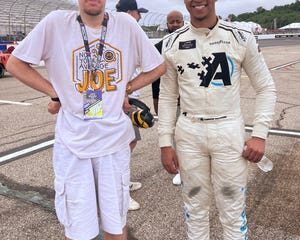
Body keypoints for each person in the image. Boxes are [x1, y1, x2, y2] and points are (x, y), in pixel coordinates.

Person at [6, 0, 165, 239]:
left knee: (115, 225)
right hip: (73, 146)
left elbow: (158, 66)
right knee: (79, 228)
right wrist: (55, 93)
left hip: (113, 144)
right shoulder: (57, 23)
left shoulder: (126, 25)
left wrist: (127, 88)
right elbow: (16, 63)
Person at [158, 0, 276, 239]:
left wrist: (260, 135)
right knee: (195, 210)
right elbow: (168, 96)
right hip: (189, 133)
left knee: (232, 211)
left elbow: (266, 87)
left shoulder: (240, 37)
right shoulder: (172, 42)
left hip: (228, 131)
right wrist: (164, 142)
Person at [116, 0, 149, 211]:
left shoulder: (124, 31)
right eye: (139, 13)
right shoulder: (121, 32)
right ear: (130, 12)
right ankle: (120, 192)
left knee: (130, 142)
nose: (140, 17)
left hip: (126, 99)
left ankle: (122, 184)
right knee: (122, 146)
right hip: (121, 103)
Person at [152, 10, 184, 186]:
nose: (175, 25)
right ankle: (179, 167)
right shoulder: (159, 46)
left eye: (178, 21)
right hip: (165, 97)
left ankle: (185, 168)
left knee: (183, 136)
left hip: (186, 99)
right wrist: (157, 100)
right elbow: (153, 77)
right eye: (172, 22)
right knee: (170, 134)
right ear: (167, 24)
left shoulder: (190, 43)